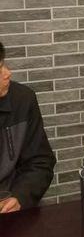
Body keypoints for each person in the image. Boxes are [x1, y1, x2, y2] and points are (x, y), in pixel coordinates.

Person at [0, 41, 56, 213]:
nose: (8, 73)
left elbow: (40, 162)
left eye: (3, 64)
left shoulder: (23, 100)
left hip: (13, 210)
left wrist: (20, 197)